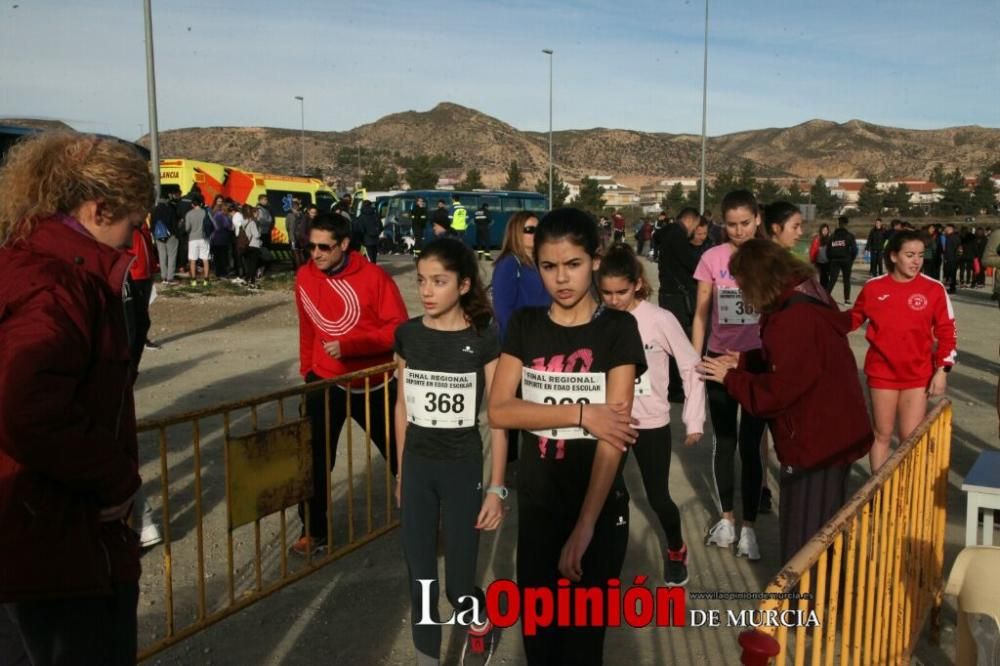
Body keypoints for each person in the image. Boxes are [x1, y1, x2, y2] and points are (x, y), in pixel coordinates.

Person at [0, 132, 154, 665]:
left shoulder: (31, 265)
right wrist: (114, 477)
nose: (134, 241)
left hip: (37, 538)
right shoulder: (56, 285)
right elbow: (26, 406)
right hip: (57, 548)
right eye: (132, 224)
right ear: (99, 207)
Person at [488, 207, 645, 665]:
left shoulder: (618, 329)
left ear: (595, 260)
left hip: (597, 513)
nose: (562, 279)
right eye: (549, 266)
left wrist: (585, 526)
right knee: (540, 644)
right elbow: (499, 410)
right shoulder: (525, 326)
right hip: (538, 511)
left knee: (581, 647)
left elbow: (613, 437)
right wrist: (582, 414)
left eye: (573, 264)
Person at [698, 239, 873, 563]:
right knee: (826, 528)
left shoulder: (791, 321)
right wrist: (745, 361)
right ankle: (819, 595)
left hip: (815, 442)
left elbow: (776, 394)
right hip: (834, 434)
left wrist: (731, 378)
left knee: (805, 541)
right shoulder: (805, 299)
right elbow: (789, 362)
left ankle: (802, 607)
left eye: (743, 283)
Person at [394, 237, 507, 665]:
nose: (426, 290)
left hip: (463, 468)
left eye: (438, 281)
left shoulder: (483, 339)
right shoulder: (407, 335)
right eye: (421, 280)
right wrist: (402, 473)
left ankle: (478, 619)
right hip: (419, 468)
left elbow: (497, 417)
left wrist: (497, 487)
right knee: (421, 580)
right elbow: (402, 406)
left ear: (462, 286)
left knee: (458, 586)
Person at [293, 212, 408, 555]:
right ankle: (314, 531)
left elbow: (398, 329)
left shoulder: (375, 278)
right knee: (313, 460)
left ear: (344, 244)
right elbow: (307, 328)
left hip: (373, 382)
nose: (315, 254)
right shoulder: (303, 277)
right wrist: (307, 373)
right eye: (310, 246)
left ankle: (425, 519)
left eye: (324, 247)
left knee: (403, 455)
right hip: (324, 382)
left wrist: (350, 346)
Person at [597, 244, 705, 586]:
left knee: (658, 497)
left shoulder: (660, 320)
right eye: (606, 293)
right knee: (611, 496)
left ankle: (676, 549)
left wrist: (694, 418)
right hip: (609, 422)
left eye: (622, 292)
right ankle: (608, 559)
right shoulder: (596, 318)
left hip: (650, 423)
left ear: (638, 283)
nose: (614, 300)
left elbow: (690, 366)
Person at [691, 189, 768, 561]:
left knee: (752, 445)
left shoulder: (773, 259)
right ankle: (726, 519)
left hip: (756, 364)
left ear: (758, 220)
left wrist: (755, 356)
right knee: (725, 440)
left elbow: (780, 317)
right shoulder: (712, 258)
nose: (738, 232)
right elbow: (701, 313)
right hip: (718, 360)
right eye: (732, 224)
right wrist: (696, 359)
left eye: (745, 224)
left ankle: (750, 528)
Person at [849, 230, 957, 472]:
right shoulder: (873, 288)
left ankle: (904, 494)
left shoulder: (934, 289)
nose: (916, 261)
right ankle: (878, 493)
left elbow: (948, 331)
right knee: (882, 434)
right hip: (882, 374)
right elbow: (850, 320)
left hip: (918, 375)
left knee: (910, 438)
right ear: (894, 256)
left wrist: (943, 370)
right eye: (909, 255)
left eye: (920, 255)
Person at [657, 207, 701, 404]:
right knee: (680, 343)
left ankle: (673, 386)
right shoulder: (678, 237)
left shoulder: (667, 233)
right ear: (690, 221)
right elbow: (693, 264)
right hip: (678, 298)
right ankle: (676, 388)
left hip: (668, 294)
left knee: (671, 341)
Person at [491, 211, 551, 343]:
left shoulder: (542, 262)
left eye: (539, 230)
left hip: (544, 337)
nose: (537, 234)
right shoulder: (509, 263)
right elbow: (503, 310)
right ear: (516, 233)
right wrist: (517, 341)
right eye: (530, 230)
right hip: (521, 342)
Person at [825, 216, 858, 304]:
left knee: (832, 280)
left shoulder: (832, 236)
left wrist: (830, 259)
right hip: (846, 260)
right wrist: (851, 259)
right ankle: (847, 300)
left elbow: (827, 250)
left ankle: (825, 298)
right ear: (846, 224)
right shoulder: (850, 236)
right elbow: (854, 249)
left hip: (834, 260)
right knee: (846, 280)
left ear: (838, 223)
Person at [152, 188, 179, 285]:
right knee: (172, 256)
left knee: (162, 256)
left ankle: (163, 277)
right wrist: (175, 233)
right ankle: (170, 277)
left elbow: (152, 224)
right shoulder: (170, 208)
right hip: (170, 235)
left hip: (159, 236)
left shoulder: (154, 210)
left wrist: (155, 235)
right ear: (167, 198)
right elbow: (174, 223)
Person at [183, 198, 211, 286]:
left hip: (193, 239)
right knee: (205, 259)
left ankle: (194, 280)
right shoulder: (205, 212)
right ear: (200, 204)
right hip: (204, 238)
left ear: (192, 205)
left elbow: (187, 228)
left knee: (193, 260)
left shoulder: (189, 214)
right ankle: (206, 280)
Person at [241, 207, 264, 290]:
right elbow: (256, 235)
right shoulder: (253, 223)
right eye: (257, 213)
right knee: (253, 265)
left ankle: (247, 280)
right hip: (254, 245)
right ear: (253, 213)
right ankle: (252, 282)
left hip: (247, 245)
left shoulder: (245, 222)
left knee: (250, 265)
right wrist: (260, 232)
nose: (258, 214)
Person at [210, 202, 234, 279]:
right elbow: (227, 226)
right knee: (223, 257)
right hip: (222, 239)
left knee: (217, 257)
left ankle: (218, 273)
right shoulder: (223, 216)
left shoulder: (216, 215)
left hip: (216, 239)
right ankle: (222, 273)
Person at [809, 223, 832, 289]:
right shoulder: (817, 239)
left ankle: (825, 292)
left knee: (826, 278)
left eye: (826, 230)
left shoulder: (830, 239)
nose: (825, 232)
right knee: (821, 278)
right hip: (819, 262)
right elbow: (813, 250)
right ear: (821, 231)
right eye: (823, 230)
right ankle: (822, 292)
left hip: (828, 262)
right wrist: (812, 260)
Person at [941, 223, 959, 294]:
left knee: (950, 274)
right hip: (953, 258)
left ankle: (951, 288)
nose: (945, 229)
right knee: (952, 274)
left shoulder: (951, 238)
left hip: (950, 259)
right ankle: (952, 288)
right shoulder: (954, 237)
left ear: (950, 229)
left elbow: (949, 250)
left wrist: (946, 258)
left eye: (946, 228)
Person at [285, 198, 304, 267]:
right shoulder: (302, 214)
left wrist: (292, 239)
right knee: (301, 253)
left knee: (295, 254)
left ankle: (297, 269)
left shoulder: (289, 215)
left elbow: (288, 227)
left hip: (293, 237)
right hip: (301, 237)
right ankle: (302, 268)